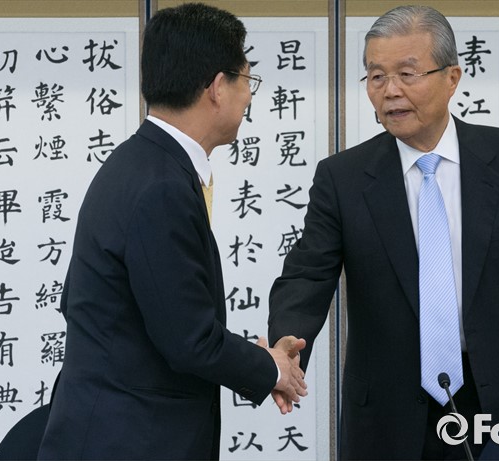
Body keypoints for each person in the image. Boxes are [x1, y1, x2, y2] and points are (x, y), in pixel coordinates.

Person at [268, 5, 499, 460]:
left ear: (452, 78)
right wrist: (286, 343)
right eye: (376, 76)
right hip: (386, 418)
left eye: (407, 73)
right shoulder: (344, 177)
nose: (390, 90)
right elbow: (306, 275)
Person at [38, 3, 307, 460]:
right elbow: (189, 340)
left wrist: (263, 363)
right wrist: (271, 368)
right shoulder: (161, 185)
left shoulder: (140, 162)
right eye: (247, 80)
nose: (249, 97)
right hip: (130, 441)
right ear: (218, 87)